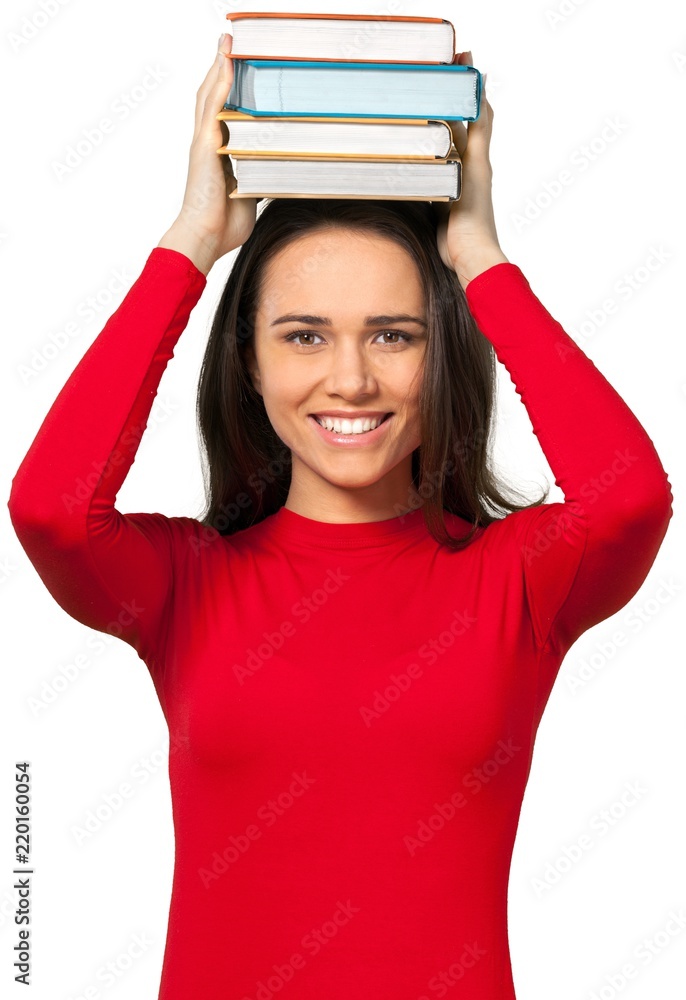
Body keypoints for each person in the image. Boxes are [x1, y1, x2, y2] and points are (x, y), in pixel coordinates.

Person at [7, 32, 673, 1000]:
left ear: (440, 353)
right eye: (303, 335)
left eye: (393, 335)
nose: (349, 377)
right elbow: (51, 510)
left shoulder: (518, 578)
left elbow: (627, 496)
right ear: (248, 361)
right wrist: (193, 238)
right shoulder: (183, 582)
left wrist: (478, 254)